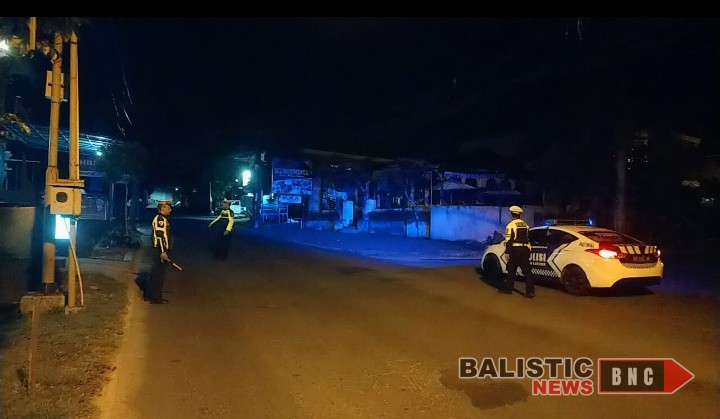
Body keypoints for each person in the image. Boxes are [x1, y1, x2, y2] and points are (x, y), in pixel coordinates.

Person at [500, 205, 535, 298]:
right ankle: (530, 291)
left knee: (511, 270)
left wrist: (507, 252)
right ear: (520, 215)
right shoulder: (525, 225)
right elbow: (528, 238)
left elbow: (508, 240)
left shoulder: (510, 225)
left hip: (515, 250)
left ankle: (508, 290)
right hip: (525, 250)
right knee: (527, 272)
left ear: (512, 214)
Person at [147, 201, 173, 304]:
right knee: (158, 274)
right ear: (162, 209)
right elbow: (160, 236)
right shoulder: (160, 220)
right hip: (159, 250)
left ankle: (151, 295)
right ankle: (155, 297)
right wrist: (163, 252)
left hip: (159, 250)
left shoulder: (162, 219)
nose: (170, 210)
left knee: (156, 273)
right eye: (168, 208)